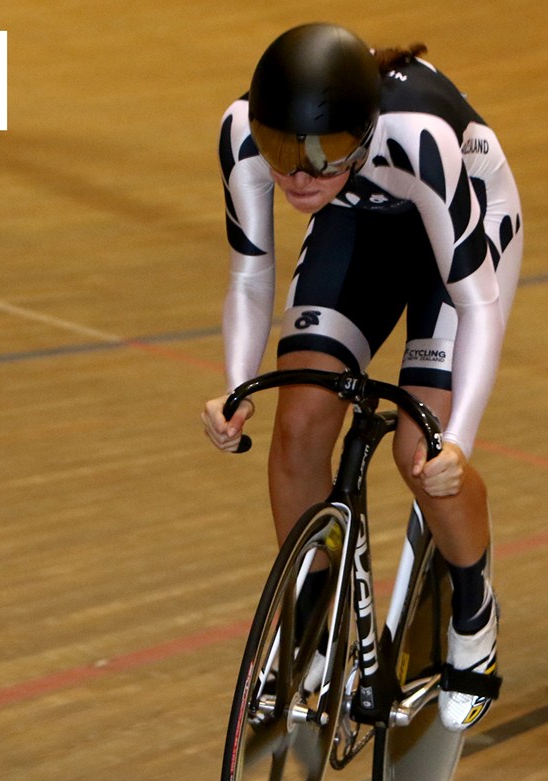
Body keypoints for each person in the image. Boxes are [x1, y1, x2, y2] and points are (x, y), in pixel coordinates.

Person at [201, 23, 523, 730]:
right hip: (359, 224)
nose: (299, 178)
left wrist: (456, 440)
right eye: (284, 155)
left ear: (365, 132)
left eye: (322, 158)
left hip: (460, 233)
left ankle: (474, 611)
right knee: (297, 429)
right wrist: (234, 384)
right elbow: (250, 274)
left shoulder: (419, 138)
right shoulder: (245, 134)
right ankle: (314, 618)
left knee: (421, 453)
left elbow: (478, 303)